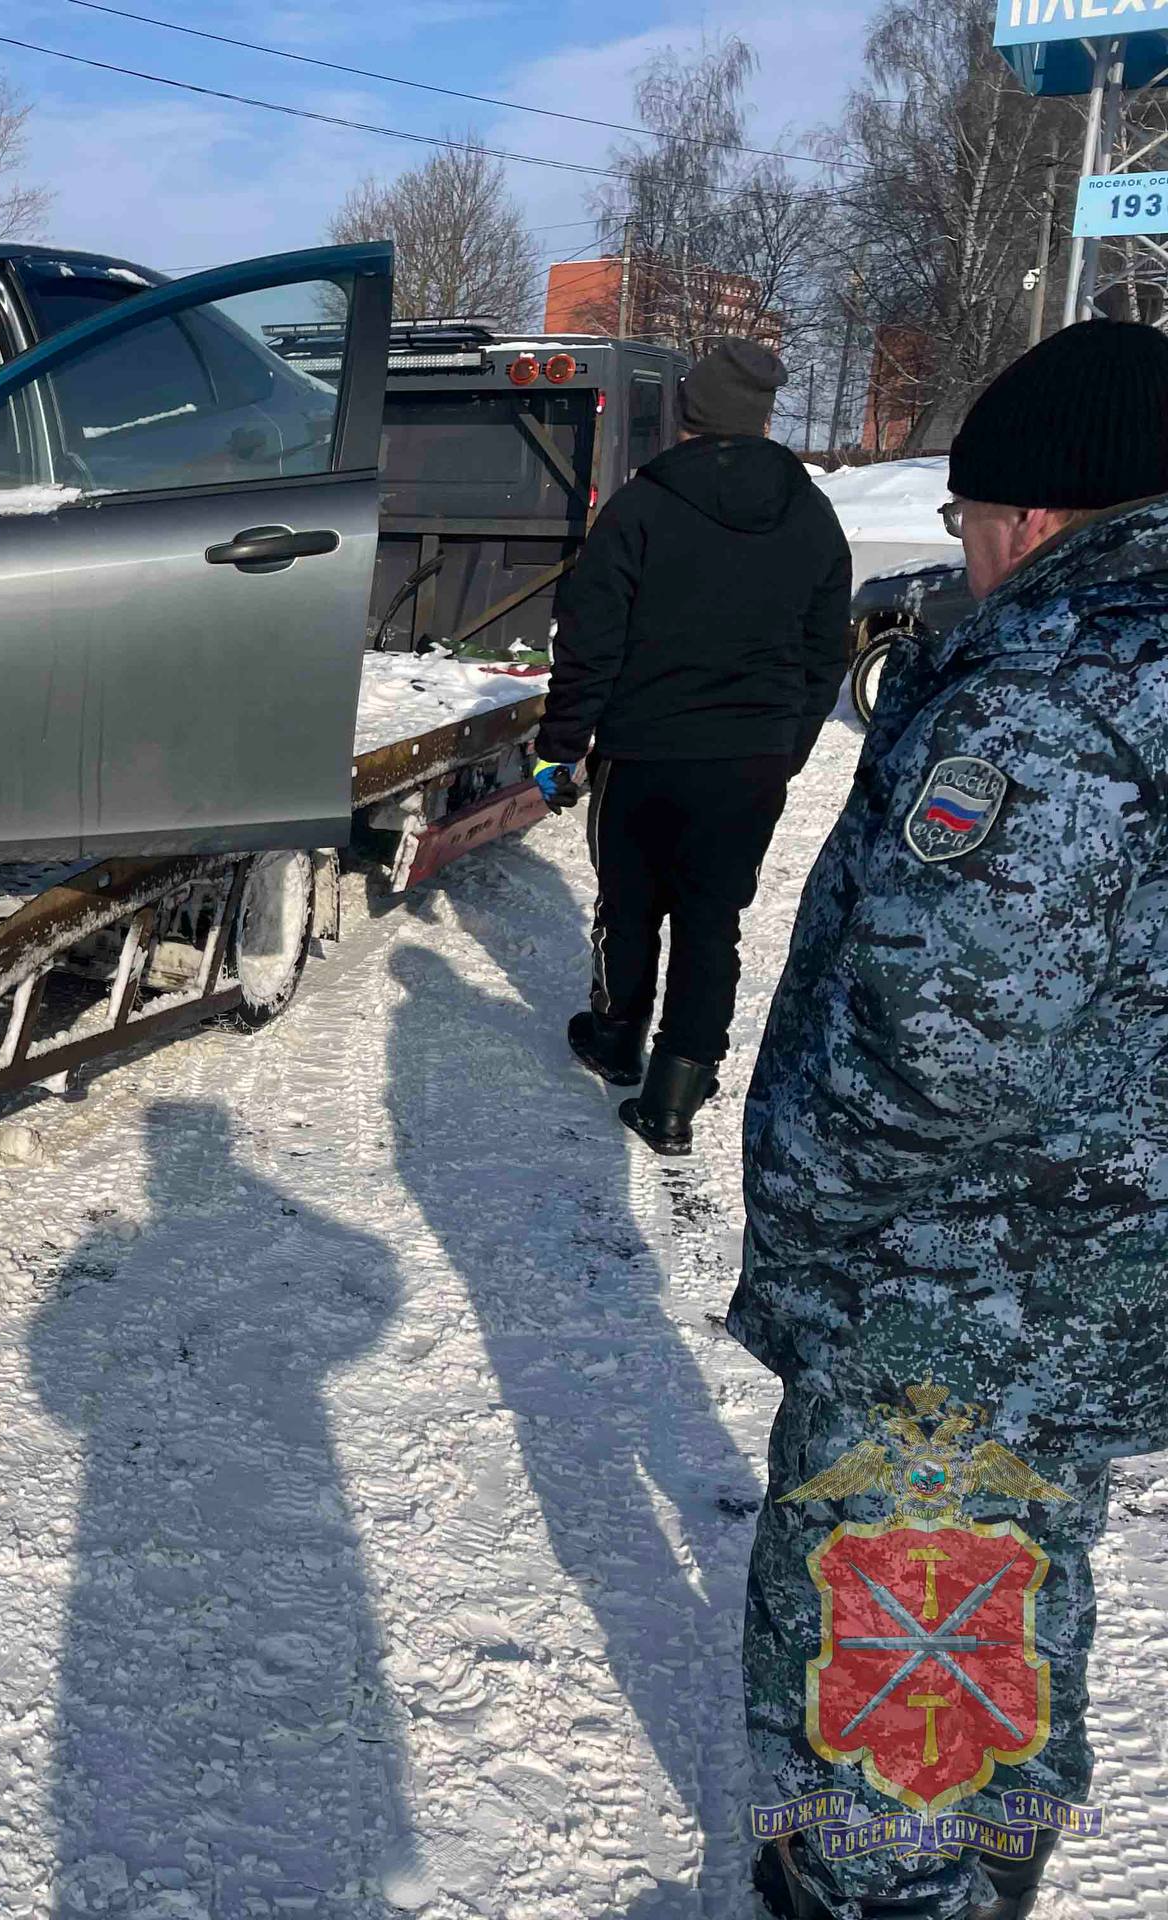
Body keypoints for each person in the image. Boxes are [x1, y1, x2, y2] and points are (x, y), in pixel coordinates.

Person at [732, 319, 1168, 1918]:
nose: (965, 564)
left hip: (955, 1302)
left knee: (900, 1693)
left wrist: (802, 1193)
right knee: (1001, 1632)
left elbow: (944, 1044)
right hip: (1081, 1279)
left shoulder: (1054, 702)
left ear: (1036, 521)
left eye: (973, 529)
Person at [531, 337, 852, 1154]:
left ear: (686, 415)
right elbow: (825, 653)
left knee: (629, 904)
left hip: (644, 755)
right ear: (763, 417)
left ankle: (614, 1039)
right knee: (713, 920)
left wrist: (559, 745)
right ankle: (677, 1093)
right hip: (751, 762)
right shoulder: (811, 512)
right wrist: (790, 744)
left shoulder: (640, 508)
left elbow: (589, 642)